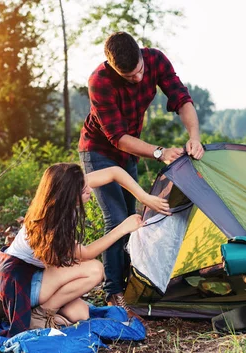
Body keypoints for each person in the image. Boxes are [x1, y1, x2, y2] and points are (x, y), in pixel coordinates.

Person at [78, 32, 204, 312]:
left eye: (139, 72)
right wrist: (159, 152)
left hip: (129, 151)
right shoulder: (99, 81)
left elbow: (182, 99)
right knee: (118, 218)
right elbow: (117, 137)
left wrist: (194, 136)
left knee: (134, 216)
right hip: (99, 150)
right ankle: (113, 292)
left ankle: (131, 280)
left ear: (141, 56)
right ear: (112, 67)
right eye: (128, 76)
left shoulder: (155, 60)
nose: (136, 78)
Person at [0, 162, 170, 337]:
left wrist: (144, 197)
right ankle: (39, 315)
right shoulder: (50, 225)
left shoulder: (69, 190)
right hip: (20, 280)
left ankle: (31, 310)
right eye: (83, 190)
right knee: (95, 269)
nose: (89, 190)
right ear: (67, 195)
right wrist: (123, 228)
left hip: (38, 274)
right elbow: (87, 254)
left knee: (81, 314)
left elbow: (114, 172)